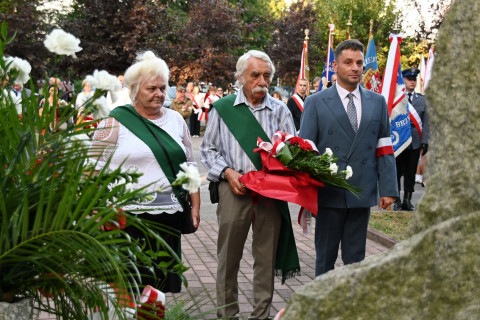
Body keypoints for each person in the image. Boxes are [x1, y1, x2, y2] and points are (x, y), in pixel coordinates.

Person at [89, 50, 200, 293]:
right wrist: (96, 209)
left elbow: (190, 164)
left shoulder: (175, 120)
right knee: (127, 288)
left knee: (157, 289)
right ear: (134, 90)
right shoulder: (113, 121)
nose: (160, 94)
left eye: (163, 88)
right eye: (152, 89)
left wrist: (196, 204)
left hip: (167, 217)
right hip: (125, 218)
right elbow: (92, 169)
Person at [200, 50, 300, 320]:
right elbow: (208, 150)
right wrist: (228, 173)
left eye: (267, 75)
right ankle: (226, 315)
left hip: (270, 193)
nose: (262, 81)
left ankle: (260, 315)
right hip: (235, 189)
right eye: (255, 74)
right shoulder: (223, 109)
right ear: (240, 77)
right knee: (228, 259)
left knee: (266, 259)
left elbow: (293, 151)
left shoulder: (280, 110)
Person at [299, 39, 398, 277]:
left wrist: (388, 189)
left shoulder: (377, 102)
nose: (355, 68)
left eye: (359, 63)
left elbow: (384, 146)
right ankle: (322, 305)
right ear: (335, 66)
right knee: (325, 258)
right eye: (348, 62)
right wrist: (308, 189)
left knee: (356, 259)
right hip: (329, 192)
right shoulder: (315, 102)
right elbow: (306, 150)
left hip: (361, 191)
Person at [393, 67, 429, 211]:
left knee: (410, 172)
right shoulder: (397, 98)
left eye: (414, 79)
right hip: (399, 139)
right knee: (396, 171)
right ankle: (395, 200)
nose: (413, 82)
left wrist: (425, 141)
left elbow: (426, 122)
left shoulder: (422, 100)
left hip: (415, 140)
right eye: (409, 79)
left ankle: (407, 200)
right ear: (404, 80)